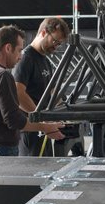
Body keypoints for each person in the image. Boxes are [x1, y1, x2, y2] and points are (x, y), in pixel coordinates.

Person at [0, 25, 63, 157]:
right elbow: (14, 120)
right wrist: (46, 127)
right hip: (2, 151)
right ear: (8, 48)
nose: (20, 56)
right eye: (19, 50)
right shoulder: (2, 76)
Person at [14, 16, 71, 156]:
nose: (56, 46)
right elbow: (18, 94)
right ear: (44, 32)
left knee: (45, 166)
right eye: (55, 41)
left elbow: (51, 91)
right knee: (33, 168)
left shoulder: (45, 60)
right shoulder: (26, 59)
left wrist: (66, 112)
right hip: (29, 130)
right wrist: (41, 120)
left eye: (59, 44)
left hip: (42, 127)